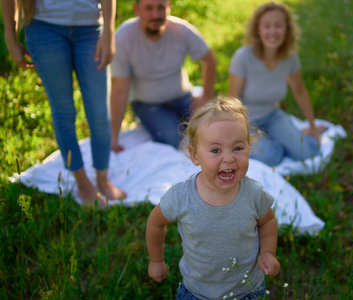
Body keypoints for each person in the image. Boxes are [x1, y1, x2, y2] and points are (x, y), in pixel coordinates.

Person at [146, 96, 280, 299]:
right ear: (195, 155)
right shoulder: (181, 196)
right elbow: (155, 223)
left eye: (238, 148)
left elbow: (267, 220)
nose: (229, 158)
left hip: (247, 290)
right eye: (215, 150)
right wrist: (156, 260)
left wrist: (268, 252)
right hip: (197, 292)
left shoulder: (253, 193)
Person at [1, 0, 127, 206]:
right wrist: (10, 35)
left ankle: (102, 180)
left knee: (99, 113)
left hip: (91, 29)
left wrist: (109, 32)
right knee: (63, 110)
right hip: (43, 29)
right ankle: (83, 183)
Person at [229, 1, 327, 167]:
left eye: (278, 26)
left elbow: (300, 92)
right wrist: (234, 133)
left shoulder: (289, 57)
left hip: (273, 115)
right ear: (258, 30)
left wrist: (312, 126)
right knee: (272, 157)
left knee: (307, 152)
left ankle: (288, 135)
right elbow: (232, 99)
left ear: (287, 30)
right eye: (267, 26)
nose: (273, 32)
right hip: (246, 120)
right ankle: (273, 140)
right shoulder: (243, 57)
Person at [110, 0, 216, 152]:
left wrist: (206, 96)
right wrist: (114, 136)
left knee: (212, 129)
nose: (156, 14)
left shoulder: (181, 30)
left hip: (182, 97)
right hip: (147, 104)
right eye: (149, 8)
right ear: (137, 9)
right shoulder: (124, 37)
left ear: (169, 7)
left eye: (161, 7)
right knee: (175, 139)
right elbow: (119, 90)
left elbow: (209, 60)